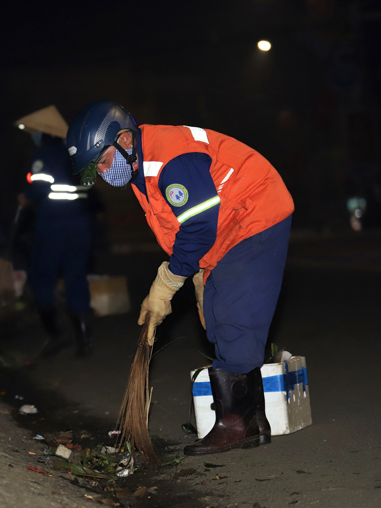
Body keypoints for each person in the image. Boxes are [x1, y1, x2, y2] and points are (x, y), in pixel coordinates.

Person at [67, 100, 294, 455]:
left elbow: (199, 227)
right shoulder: (141, 169)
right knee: (216, 319)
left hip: (254, 213)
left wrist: (167, 283)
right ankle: (252, 418)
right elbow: (180, 226)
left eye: (103, 162)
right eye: (96, 169)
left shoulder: (169, 162)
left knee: (235, 314)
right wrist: (202, 271)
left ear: (124, 140)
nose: (102, 174)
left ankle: (240, 424)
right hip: (227, 225)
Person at [16, 105, 94, 357]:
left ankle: (56, 335)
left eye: (35, 132)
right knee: (76, 277)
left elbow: (38, 189)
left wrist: (25, 197)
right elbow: (90, 184)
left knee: (42, 277)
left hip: (51, 226)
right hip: (80, 226)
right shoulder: (79, 153)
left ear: (44, 133)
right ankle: (83, 341)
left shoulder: (43, 155)